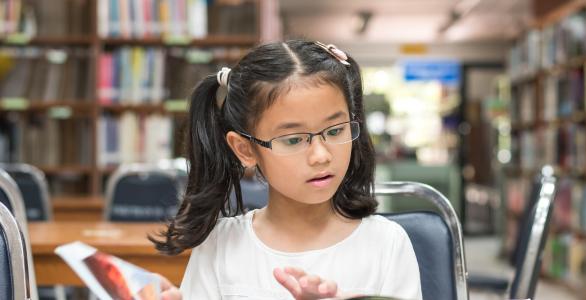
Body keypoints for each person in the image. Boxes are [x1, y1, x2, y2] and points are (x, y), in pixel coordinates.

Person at [152, 39, 422, 300]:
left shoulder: (386, 244)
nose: (321, 155)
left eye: (336, 130)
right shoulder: (220, 245)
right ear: (245, 149)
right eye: (293, 139)